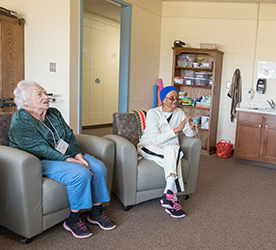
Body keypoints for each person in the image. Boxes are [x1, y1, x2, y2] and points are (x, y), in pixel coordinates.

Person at [8, 80, 116, 239]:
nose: (46, 97)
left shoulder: (54, 113)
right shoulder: (20, 119)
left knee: (99, 167)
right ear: (25, 101)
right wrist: (70, 160)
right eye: (40, 94)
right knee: (80, 173)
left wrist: (78, 155)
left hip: (66, 155)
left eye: (45, 93)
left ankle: (96, 212)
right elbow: (38, 148)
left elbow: (69, 135)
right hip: (38, 160)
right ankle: (73, 219)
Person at [137, 86, 197, 218]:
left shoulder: (180, 112)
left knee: (174, 150)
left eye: (177, 97)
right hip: (150, 146)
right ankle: (172, 197)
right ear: (163, 100)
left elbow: (188, 133)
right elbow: (155, 140)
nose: (175, 100)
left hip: (169, 147)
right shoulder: (153, 113)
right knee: (176, 156)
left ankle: (168, 194)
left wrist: (192, 129)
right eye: (171, 98)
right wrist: (175, 130)